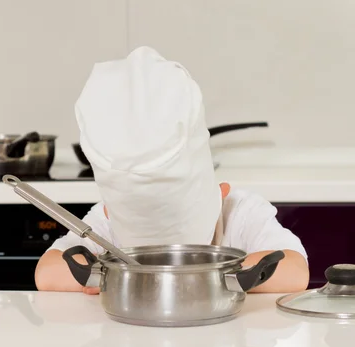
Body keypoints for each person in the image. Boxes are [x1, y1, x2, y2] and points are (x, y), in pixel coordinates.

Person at [36, 46, 309, 294]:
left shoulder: (239, 212)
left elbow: (295, 270)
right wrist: (108, 275)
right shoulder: (105, 226)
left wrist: (211, 278)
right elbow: (47, 273)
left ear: (221, 192)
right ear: (109, 211)